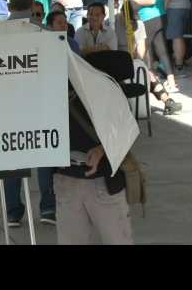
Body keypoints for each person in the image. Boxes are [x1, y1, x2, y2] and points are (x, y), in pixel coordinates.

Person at [3, 0, 56, 226]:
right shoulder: (47, 33)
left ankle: (13, 212)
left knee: (11, 160)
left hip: (7, 107)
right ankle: (48, 210)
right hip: (41, 105)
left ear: (8, 5)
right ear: (32, 3)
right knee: (45, 158)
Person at [54, 86, 133, 244]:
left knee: (117, 240)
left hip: (104, 180)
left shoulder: (101, 77)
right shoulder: (47, 81)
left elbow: (126, 125)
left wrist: (101, 150)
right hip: (66, 177)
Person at [115, 1, 182, 115]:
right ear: (121, 12)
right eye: (127, 18)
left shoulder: (139, 24)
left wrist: (133, 38)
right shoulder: (112, 22)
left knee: (148, 75)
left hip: (134, 59)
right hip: (118, 60)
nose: (130, 22)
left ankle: (167, 101)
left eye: (132, 19)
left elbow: (141, 51)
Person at [130, 0, 179, 93]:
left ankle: (144, 79)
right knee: (161, 50)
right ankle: (170, 83)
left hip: (150, 18)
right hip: (158, 16)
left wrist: (135, 0)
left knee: (143, 50)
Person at [164, 0, 192, 77]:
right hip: (185, 5)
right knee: (179, 36)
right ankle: (180, 62)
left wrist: (164, 7)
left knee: (176, 37)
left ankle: (179, 67)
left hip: (175, 7)